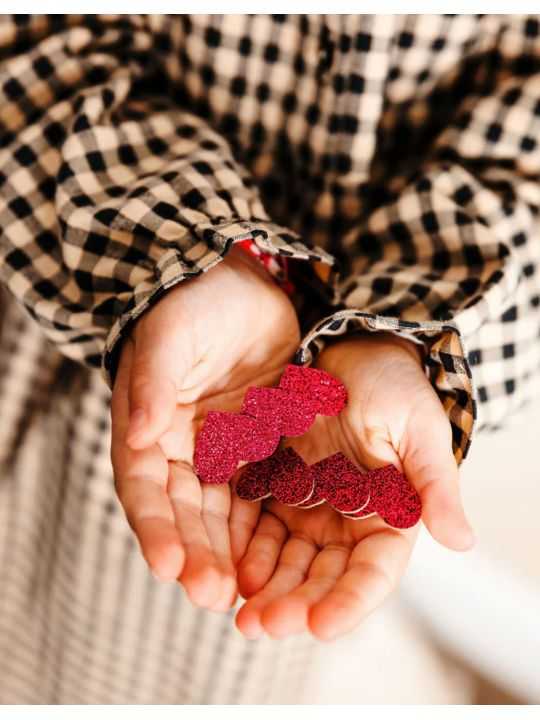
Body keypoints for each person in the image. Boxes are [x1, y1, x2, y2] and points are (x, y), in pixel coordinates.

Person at [0, 14, 538, 704]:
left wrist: (407, 336)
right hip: (87, 300)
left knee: (177, 668)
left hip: (257, 466)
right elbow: (32, 44)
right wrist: (186, 256)